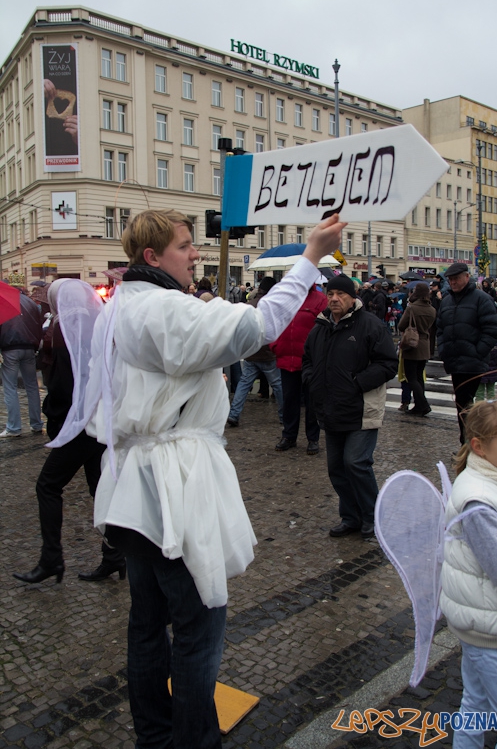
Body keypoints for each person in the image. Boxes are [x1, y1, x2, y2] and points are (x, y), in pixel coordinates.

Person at [83, 208, 345, 749]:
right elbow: (257, 326)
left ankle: (155, 736)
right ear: (152, 257)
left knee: (147, 624)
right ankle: (195, 741)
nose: (195, 254)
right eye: (185, 246)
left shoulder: (128, 304)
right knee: (199, 627)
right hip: (172, 489)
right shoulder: (163, 307)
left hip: (135, 491)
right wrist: (310, 256)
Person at [13, 279, 126, 585]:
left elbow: (64, 387)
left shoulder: (65, 331)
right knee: (97, 488)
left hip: (77, 424)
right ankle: (114, 556)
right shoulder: (95, 325)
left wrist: (56, 416)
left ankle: (52, 558)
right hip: (97, 421)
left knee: (48, 486)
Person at [440, 397, 497, 748]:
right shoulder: (479, 501)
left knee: (476, 706)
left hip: (484, 620)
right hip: (489, 628)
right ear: (479, 446)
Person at [302, 274, 397, 540]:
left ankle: (372, 517)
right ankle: (351, 517)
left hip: (362, 408)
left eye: (340, 294)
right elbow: (307, 359)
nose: (334, 299)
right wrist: (311, 381)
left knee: (356, 462)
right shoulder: (319, 327)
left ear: (352, 297)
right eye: (330, 293)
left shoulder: (370, 325)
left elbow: (388, 363)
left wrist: (357, 383)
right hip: (330, 408)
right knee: (337, 468)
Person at [436, 262, 497, 443]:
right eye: (450, 279)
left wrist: (478, 352)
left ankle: (470, 443)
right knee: (462, 405)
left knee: (467, 405)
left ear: (466, 277)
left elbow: (492, 330)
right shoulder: (447, 301)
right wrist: (443, 350)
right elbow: (440, 328)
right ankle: (467, 443)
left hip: (473, 362)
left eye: (456, 279)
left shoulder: (481, 299)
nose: (453, 282)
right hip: (454, 361)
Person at [270, 283, 327, 455]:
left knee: (312, 402)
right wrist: (275, 346)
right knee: (289, 400)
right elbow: (275, 322)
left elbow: (325, 330)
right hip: (287, 358)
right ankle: (289, 435)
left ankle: (313, 438)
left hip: (310, 361)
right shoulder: (286, 299)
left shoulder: (320, 300)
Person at [226, 277, 283, 427]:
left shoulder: (248, 306)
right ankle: (285, 416)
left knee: (244, 384)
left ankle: (234, 414)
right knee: (278, 385)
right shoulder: (273, 306)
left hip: (251, 352)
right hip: (268, 353)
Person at [0, 291, 44, 437]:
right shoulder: (29, 302)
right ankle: (37, 423)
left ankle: (14, 427)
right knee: (31, 386)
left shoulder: (3, 303)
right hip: (29, 347)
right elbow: (38, 325)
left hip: (10, 347)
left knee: (10, 387)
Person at [397, 283, 436, 416]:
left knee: (411, 377)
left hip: (412, 344)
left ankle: (423, 404)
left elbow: (401, 325)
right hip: (425, 344)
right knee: (419, 377)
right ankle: (419, 405)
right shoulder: (432, 309)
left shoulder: (412, 308)